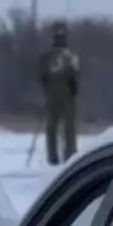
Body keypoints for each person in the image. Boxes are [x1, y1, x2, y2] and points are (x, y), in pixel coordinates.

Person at [37, 21, 81, 165]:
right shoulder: (71, 56)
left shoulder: (46, 56)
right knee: (68, 127)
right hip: (67, 93)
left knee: (51, 126)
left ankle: (52, 156)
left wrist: (46, 90)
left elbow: (42, 76)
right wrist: (74, 89)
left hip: (51, 93)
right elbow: (74, 77)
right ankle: (70, 155)